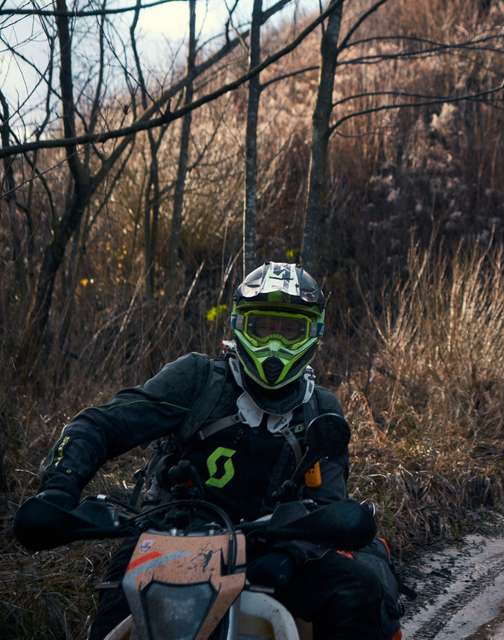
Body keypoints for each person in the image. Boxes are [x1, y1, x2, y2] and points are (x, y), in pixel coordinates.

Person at [14, 262, 397, 640]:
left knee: (359, 591)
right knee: (112, 626)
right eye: (262, 327)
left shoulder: (320, 408)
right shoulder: (198, 379)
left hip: (270, 546)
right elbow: (99, 425)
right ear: (238, 324)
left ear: (314, 332)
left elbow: (329, 504)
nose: (274, 344)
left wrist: (293, 552)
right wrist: (58, 490)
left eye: (290, 329)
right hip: (166, 539)